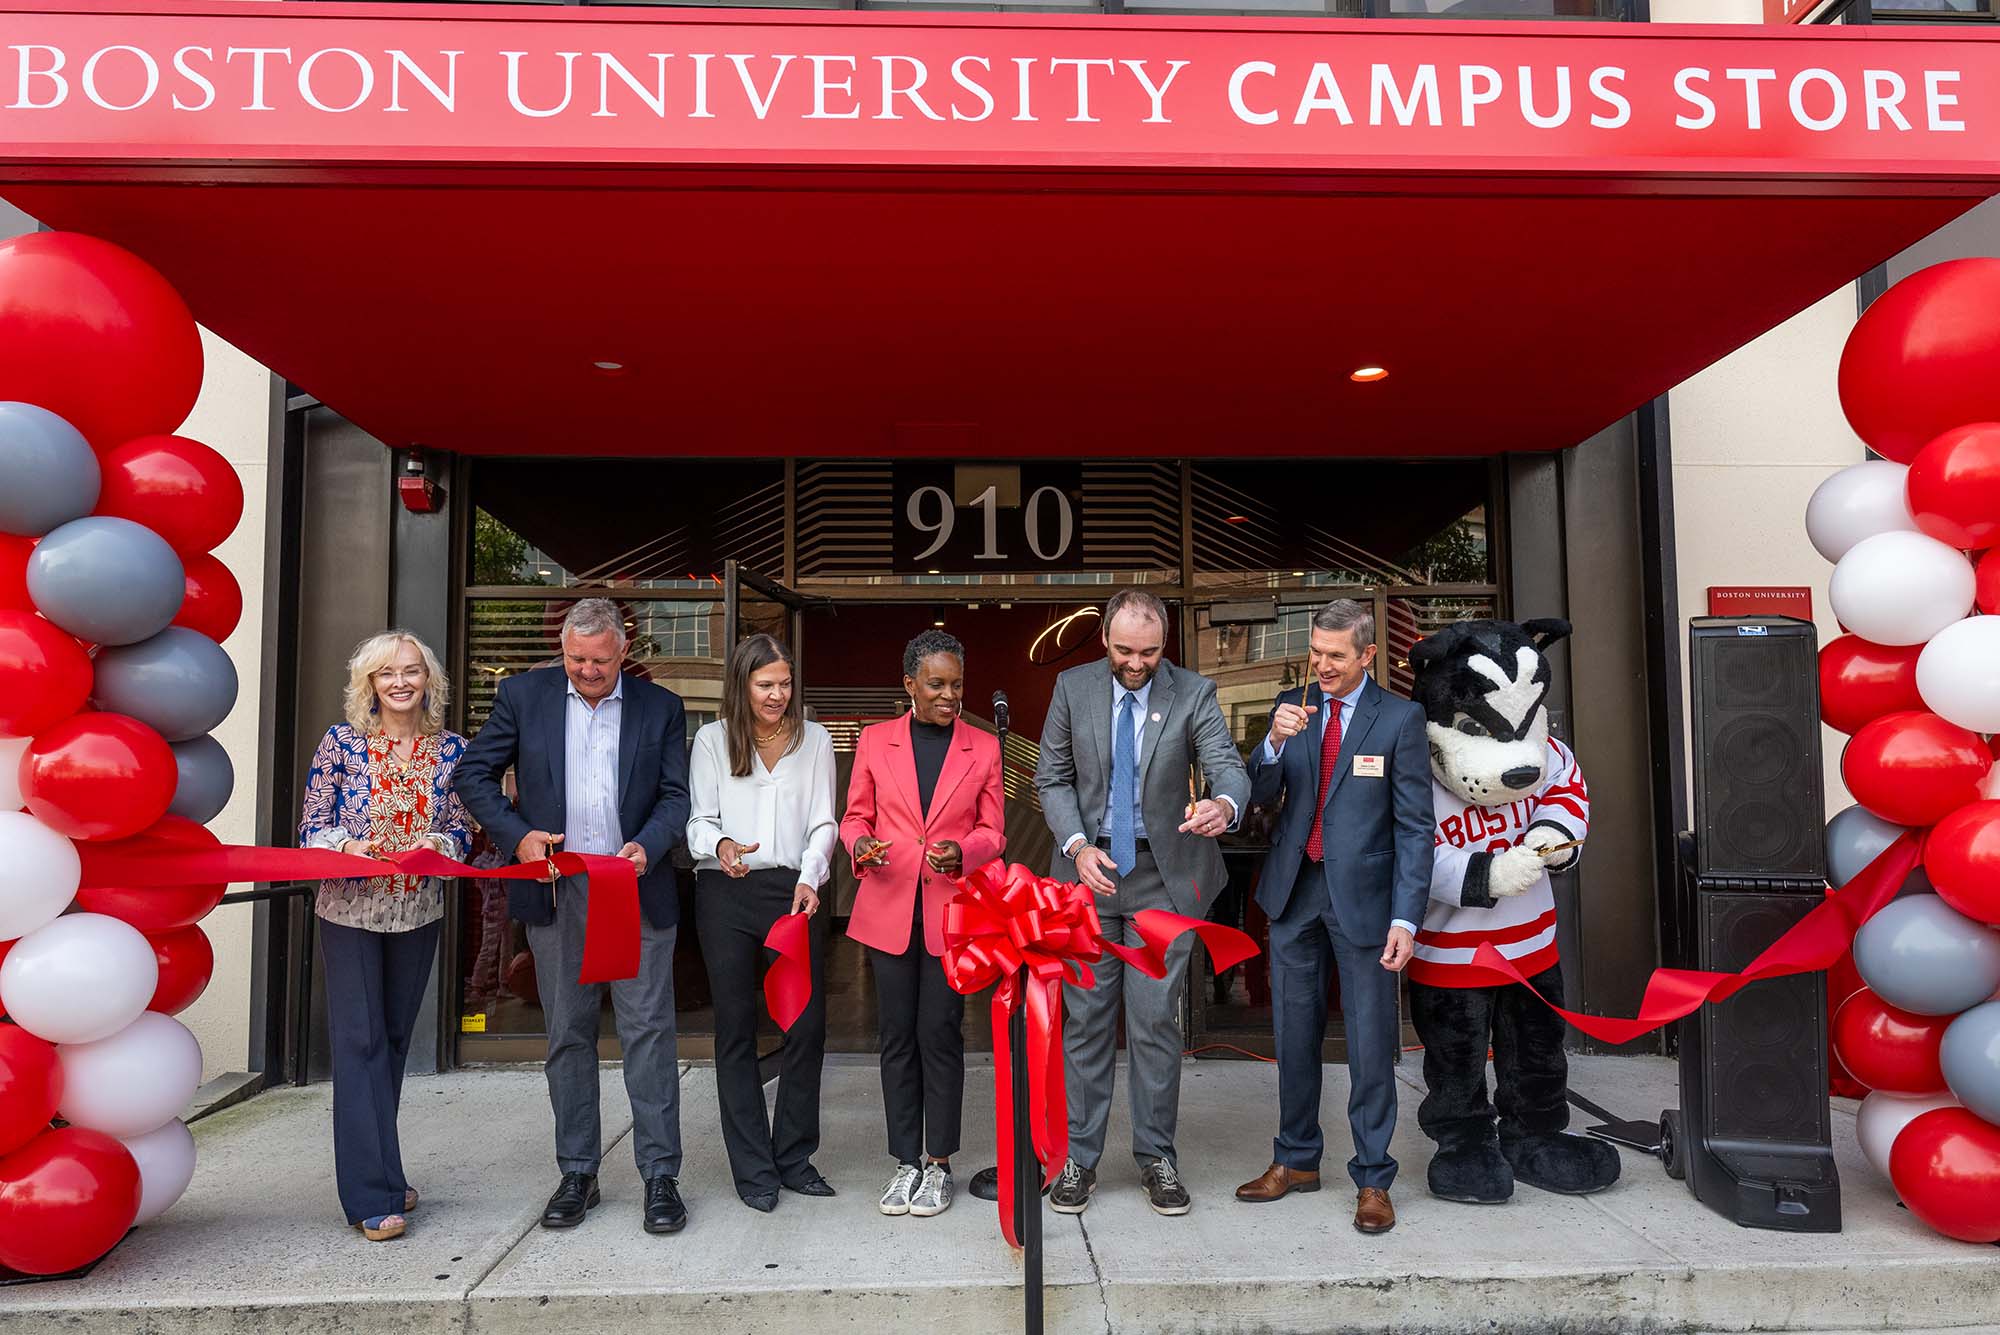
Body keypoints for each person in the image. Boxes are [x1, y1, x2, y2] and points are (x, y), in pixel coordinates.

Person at [454, 598, 692, 1236]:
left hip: (636, 889)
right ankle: (578, 1172)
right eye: (576, 659)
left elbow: (676, 796)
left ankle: (660, 1175)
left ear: (623, 651)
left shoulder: (661, 707)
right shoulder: (524, 696)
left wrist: (650, 842)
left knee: (649, 1032)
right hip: (557, 891)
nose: (587, 671)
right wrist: (518, 835)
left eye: (600, 661)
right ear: (564, 650)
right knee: (568, 1035)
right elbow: (473, 774)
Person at [1034, 588, 1249, 1217]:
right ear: (1104, 639)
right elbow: (1052, 778)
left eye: (1149, 652)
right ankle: (1080, 1157)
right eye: (1125, 650)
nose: (1136, 663)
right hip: (1090, 873)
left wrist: (1222, 804)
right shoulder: (1073, 688)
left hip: (1164, 877)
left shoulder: (1194, 693)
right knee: (1088, 1020)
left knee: (1156, 1021)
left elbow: (1227, 767)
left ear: (1164, 645)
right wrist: (1076, 846)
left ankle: (1157, 1156)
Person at [1231, 598, 1433, 1235]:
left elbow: (1415, 829)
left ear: (1367, 655)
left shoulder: (1399, 719)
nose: (1321, 665)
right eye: (1315, 654)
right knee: (1292, 1036)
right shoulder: (1293, 706)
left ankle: (1373, 1176)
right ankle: (1295, 1159)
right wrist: (1270, 742)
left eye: (1335, 656)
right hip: (1295, 896)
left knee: (1372, 1044)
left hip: (1369, 904)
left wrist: (1406, 918)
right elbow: (1258, 795)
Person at [298, 630, 472, 1243]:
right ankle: (369, 1194)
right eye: (386, 673)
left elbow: (463, 831)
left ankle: (386, 1172)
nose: (400, 682)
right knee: (360, 1041)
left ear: (429, 681)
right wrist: (346, 844)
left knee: (394, 1040)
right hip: (349, 911)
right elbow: (312, 825)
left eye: (412, 671)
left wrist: (439, 844)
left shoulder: (452, 751)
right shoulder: (342, 744)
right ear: (368, 683)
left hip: (417, 912)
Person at [841, 630, 1006, 1219]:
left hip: (949, 914)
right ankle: (904, 1160)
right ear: (909, 684)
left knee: (939, 1035)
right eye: (936, 684)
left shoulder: (982, 748)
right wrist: (862, 845)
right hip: (889, 909)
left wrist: (964, 852)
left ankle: (938, 1163)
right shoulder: (873, 741)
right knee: (895, 1039)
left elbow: (995, 832)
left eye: (957, 684)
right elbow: (855, 817)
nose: (950, 695)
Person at [686, 633, 838, 1212]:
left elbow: (825, 821)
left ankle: (794, 1156)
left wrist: (811, 873)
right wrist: (721, 843)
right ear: (742, 685)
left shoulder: (815, 739)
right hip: (726, 890)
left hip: (791, 890)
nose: (778, 694)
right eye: (765, 684)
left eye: (785, 683)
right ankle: (753, 1168)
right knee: (736, 1028)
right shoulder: (711, 740)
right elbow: (698, 820)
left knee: (806, 1023)